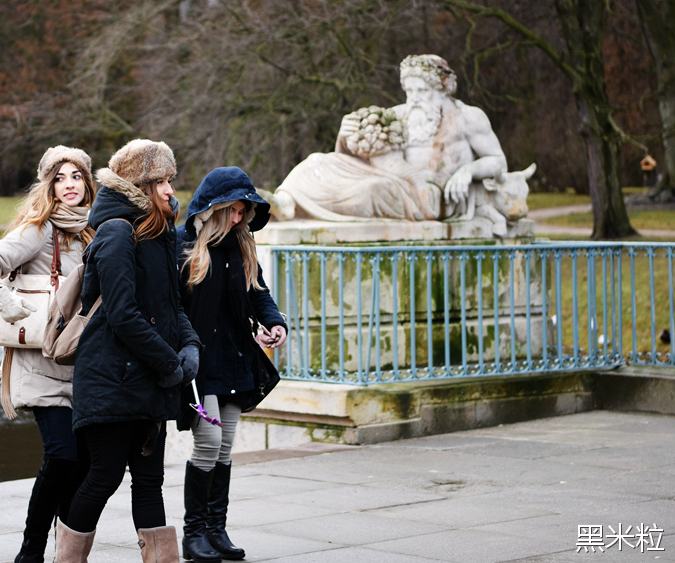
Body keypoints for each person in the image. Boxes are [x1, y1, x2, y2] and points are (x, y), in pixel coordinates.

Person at [56, 139, 202, 563]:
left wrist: (190, 348)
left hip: (148, 381)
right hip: (110, 381)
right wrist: (169, 363)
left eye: (171, 180)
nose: (171, 189)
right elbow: (122, 313)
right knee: (102, 477)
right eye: (162, 181)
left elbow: (173, 309)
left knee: (150, 481)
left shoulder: (158, 234)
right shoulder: (117, 232)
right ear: (141, 184)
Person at [0, 145, 96, 563]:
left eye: (76, 176)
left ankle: (67, 552)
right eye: (60, 178)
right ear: (50, 186)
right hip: (40, 364)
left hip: (84, 366)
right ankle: (31, 549)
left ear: (87, 182)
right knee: (61, 454)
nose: (69, 185)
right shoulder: (40, 230)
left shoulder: (97, 231)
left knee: (82, 465)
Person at [176, 166, 287, 562]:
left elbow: (259, 292)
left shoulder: (241, 246)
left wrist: (275, 322)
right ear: (214, 207)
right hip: (200, 361)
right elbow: (172, 307)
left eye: (244, 212)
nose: (239, 218)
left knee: (224, 447)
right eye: (233, 210)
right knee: (207, 441)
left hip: (235, 357)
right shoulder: (183, 244)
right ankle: (193, 534)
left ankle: (216, 530)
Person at [272, 54, 508, 222]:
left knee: (371, 190)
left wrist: (468, 171)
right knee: (318, 161)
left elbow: (498, 162)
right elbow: (360, 155)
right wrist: (346, 136)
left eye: (422, 91)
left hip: (430, 193)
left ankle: (304, 209)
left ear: (442, 90)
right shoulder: (397, 114)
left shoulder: (467, 117)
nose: (414, 98)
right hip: (386, 174)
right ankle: (287, 202)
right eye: (409, 91)